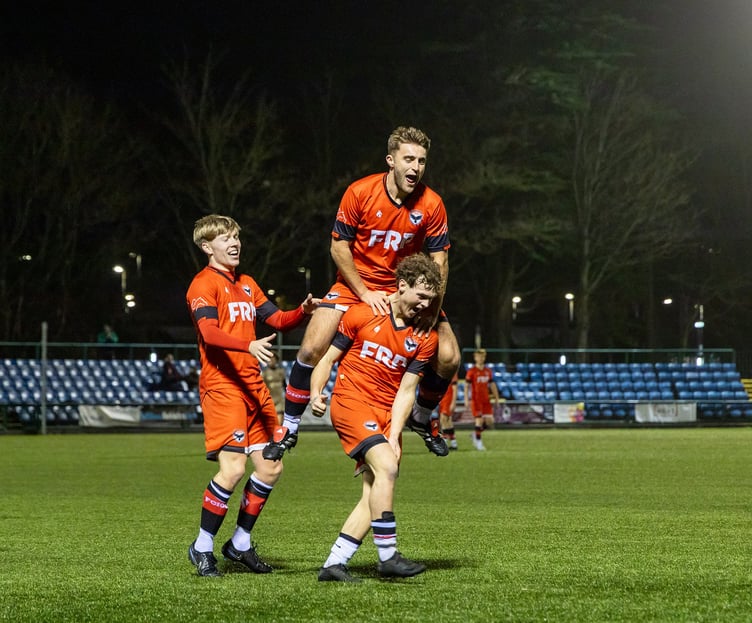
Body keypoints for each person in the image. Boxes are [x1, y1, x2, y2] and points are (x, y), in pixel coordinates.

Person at [267, 126, 460, 461]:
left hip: (405, 289)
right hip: (356, 284)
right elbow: (338, 247)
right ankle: (289, 426)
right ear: (391, 160)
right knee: (313, 346)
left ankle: (422, 417)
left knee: (449, 357)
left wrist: (432, 310)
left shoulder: (432, 204)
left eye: (422, 161)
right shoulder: (360, 192)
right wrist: (364, 291)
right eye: (408, 159)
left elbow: (440, 261)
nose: (415, 167)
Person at [185, 214, 320, 577]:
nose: (234, 243)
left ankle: (239, 544)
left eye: (236, 236)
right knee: (232, 470)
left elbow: (276, 320)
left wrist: (302, 313)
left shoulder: (246, 283)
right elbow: (210, 334)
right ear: (206, 247)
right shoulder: (202, 285)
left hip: (254, 388)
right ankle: (201, 547)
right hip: (223, 388)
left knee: (271, 467)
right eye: (225, 238)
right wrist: (247, 343)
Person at [310, 253, 442, 582]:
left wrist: (395, 433)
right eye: (421, 295)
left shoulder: (426, 337)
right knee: (387, 468)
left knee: (374, 491)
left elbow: (407, 391)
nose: (425, 304)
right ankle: (388, 556)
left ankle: (333, 564)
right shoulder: (362, 314)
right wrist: (316, 392)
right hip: (351, 402)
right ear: (401, 286)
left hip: (385, 413)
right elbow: (328, 359)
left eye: (431, 298)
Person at [464, 348, 499, 451]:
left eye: (482, 356)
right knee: (479, 421)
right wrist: (466, 399)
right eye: (479, 356)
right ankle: (479, 443)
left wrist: (496, 398)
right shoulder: (471, 371)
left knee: (490, 422)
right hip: (476, 400)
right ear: (475, 358)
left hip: (486, 400)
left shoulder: (488, 371)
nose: (481, 358)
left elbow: (492, 385)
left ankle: (475, 434)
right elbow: (466, 386)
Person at [261, 352, 286, 425]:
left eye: (273, 359)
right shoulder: (264, 373)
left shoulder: (281, 371)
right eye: (269, 359)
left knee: (279, 421)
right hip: (269, 399)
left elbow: (284, 385)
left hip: (279, 399)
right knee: (269, 422)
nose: (271, 360)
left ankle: (278, 435)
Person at [438, 372, 459, 450]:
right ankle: (454, 443)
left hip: (448, 397)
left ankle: (445, 442)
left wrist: (453, 402)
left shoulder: (451, 371)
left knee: (443, 419)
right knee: (447, 421)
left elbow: (455, 387)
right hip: (443, 398)